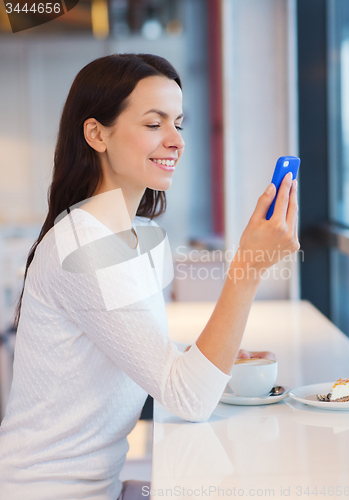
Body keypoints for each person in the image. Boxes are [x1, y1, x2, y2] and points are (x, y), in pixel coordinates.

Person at [0, 53, 299, 500]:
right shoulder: (82, 244)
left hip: (100, 487)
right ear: (96, 133)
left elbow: (146, 354)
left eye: (179, 123)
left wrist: (218, 360)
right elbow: (187, 398)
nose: (176, 140)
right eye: (154, 124)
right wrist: (248, 267)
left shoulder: (141, 235)